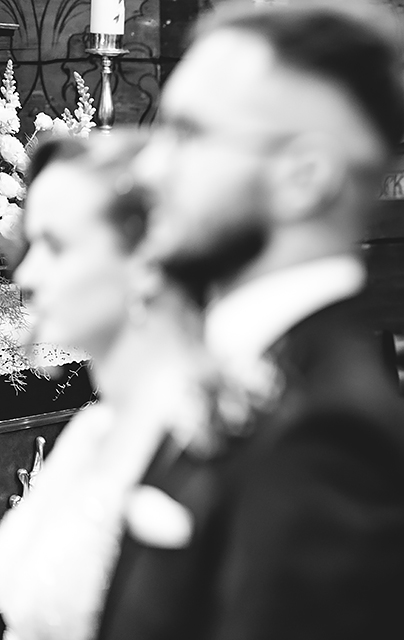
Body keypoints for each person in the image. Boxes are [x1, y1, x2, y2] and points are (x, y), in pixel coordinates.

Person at [97, 2, 404, 639]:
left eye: (190, 134)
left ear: (305, 177)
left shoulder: (326, 439)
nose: (148, 169)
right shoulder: (247, 365)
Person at [0, 133, 212, 640]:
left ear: (144, 262)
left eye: (56, 246)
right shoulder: (94, 430)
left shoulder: (201, 444)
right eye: (30, 244)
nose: (26, 273)